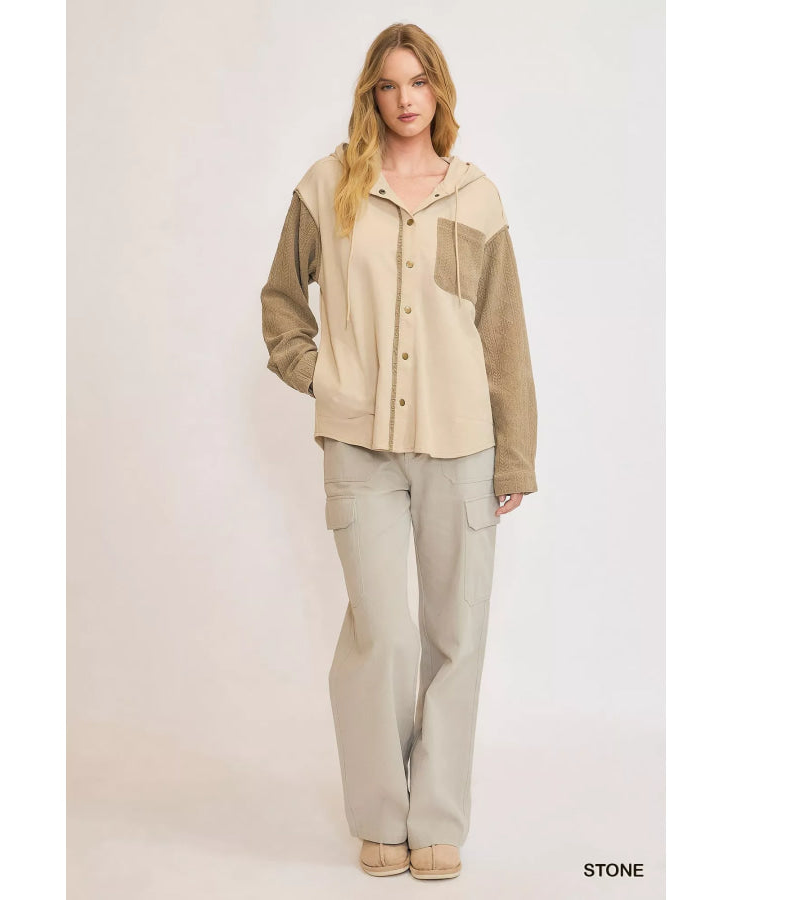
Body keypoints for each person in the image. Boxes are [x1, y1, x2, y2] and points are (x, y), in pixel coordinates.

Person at [260, 22, 538, 881]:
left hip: (462, 445)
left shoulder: (477, 197)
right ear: (370, 96)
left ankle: (437, 819)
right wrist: (323, 378)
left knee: (456, 634)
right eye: (389, 84)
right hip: (361, 447)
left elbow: (504, 337)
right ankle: (381, 816)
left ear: (439, 90)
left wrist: (515, 457)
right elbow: (281, 303)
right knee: (381, 635)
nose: (405, 98)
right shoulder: (327, 186)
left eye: (419, 82)